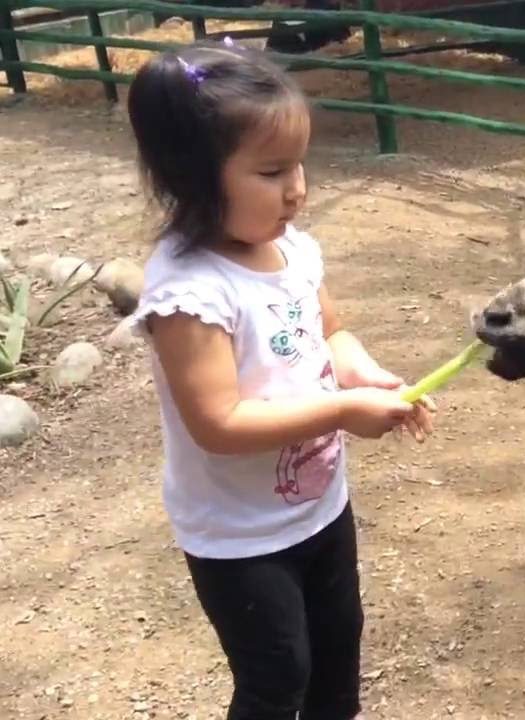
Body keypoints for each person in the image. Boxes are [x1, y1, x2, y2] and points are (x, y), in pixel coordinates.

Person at [122, 40, 432, 719]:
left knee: (336, 651)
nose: (297, 187)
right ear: (195, 176)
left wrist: (367, 377)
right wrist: (341, 411)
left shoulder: (293, 251)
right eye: (270, 171)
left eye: (298, 163)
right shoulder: (190, 294)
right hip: (238, 535)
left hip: (320, 506)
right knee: (276, 674)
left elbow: (332, 332)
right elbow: (220, 424)